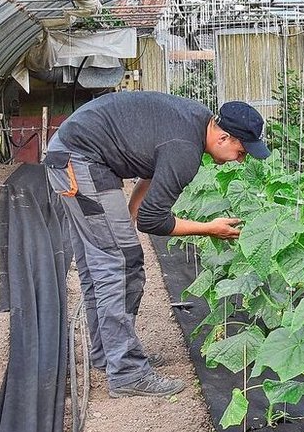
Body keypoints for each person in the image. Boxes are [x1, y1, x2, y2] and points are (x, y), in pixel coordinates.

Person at [43, 92, 270, 397]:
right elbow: (152, 221)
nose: (241, 161)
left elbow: (149, 172)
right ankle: (126, 372)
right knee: (121, 265)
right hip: (81, 160)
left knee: (103, 260)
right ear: (223, 137)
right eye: (241, 152)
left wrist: (129, 213)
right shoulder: (185, 150)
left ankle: (106, 354)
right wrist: (208, 229)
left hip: (75, 155)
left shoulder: (195, 122)